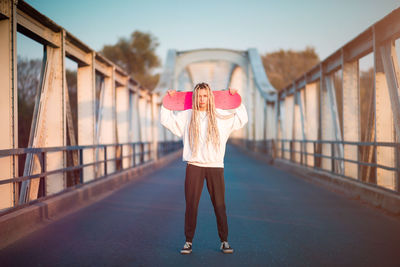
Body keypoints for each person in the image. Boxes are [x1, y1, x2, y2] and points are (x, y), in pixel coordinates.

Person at [160, 82, 248, 254]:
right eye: (199, 96)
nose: (202, 99)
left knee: (220, 205)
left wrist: (236, 100)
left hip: (215, 166)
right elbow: (166, 120)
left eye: (205, 95)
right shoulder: (187, 116)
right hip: (194, 166)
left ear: (210, 97)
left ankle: (224, 241)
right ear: (195, 97)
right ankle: (188, 242)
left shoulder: (220, 116)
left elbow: (241, 119)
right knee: (191, 205)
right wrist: (168, 102)